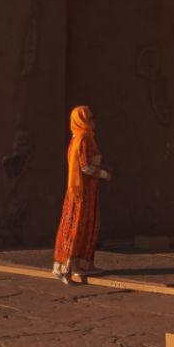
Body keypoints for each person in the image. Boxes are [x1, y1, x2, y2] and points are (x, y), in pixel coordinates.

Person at [51, 104, 110, 284]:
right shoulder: (84, 138)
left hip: (82, 190)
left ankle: (78, 265)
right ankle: (67, 267)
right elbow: (85, 167)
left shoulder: (77, 138)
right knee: (78, 226)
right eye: (89, 118)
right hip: (83, 192)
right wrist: (104, 174)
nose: (93, 121)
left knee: (80, 225)